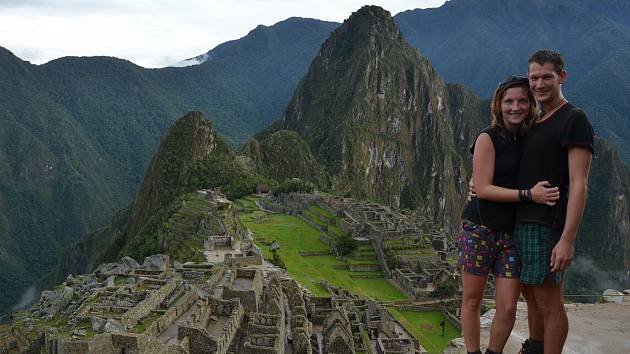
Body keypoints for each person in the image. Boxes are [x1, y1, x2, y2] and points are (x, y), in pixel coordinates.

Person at [458, 76, 559, 354]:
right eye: (509, 101)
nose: (515, 107)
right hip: (479, 228)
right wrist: (528, 195)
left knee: (507, 305)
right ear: (498, 105)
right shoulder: (487, 138)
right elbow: (484, 188)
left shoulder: (528, 140)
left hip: (510, 233)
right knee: (472, 299)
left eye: (522, 101)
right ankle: (472, 351)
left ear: (531, 105)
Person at [516, 49, 594, 354]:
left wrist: (567, 239)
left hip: (548, 225)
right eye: (534, 78)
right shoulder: (535, 120)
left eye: (546, 77)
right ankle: (535, 347)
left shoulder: (573, 119)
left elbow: (579, 183)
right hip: (522, 221)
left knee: (549, 301)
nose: (539, 84)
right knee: (531, 296)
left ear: (561, 76)